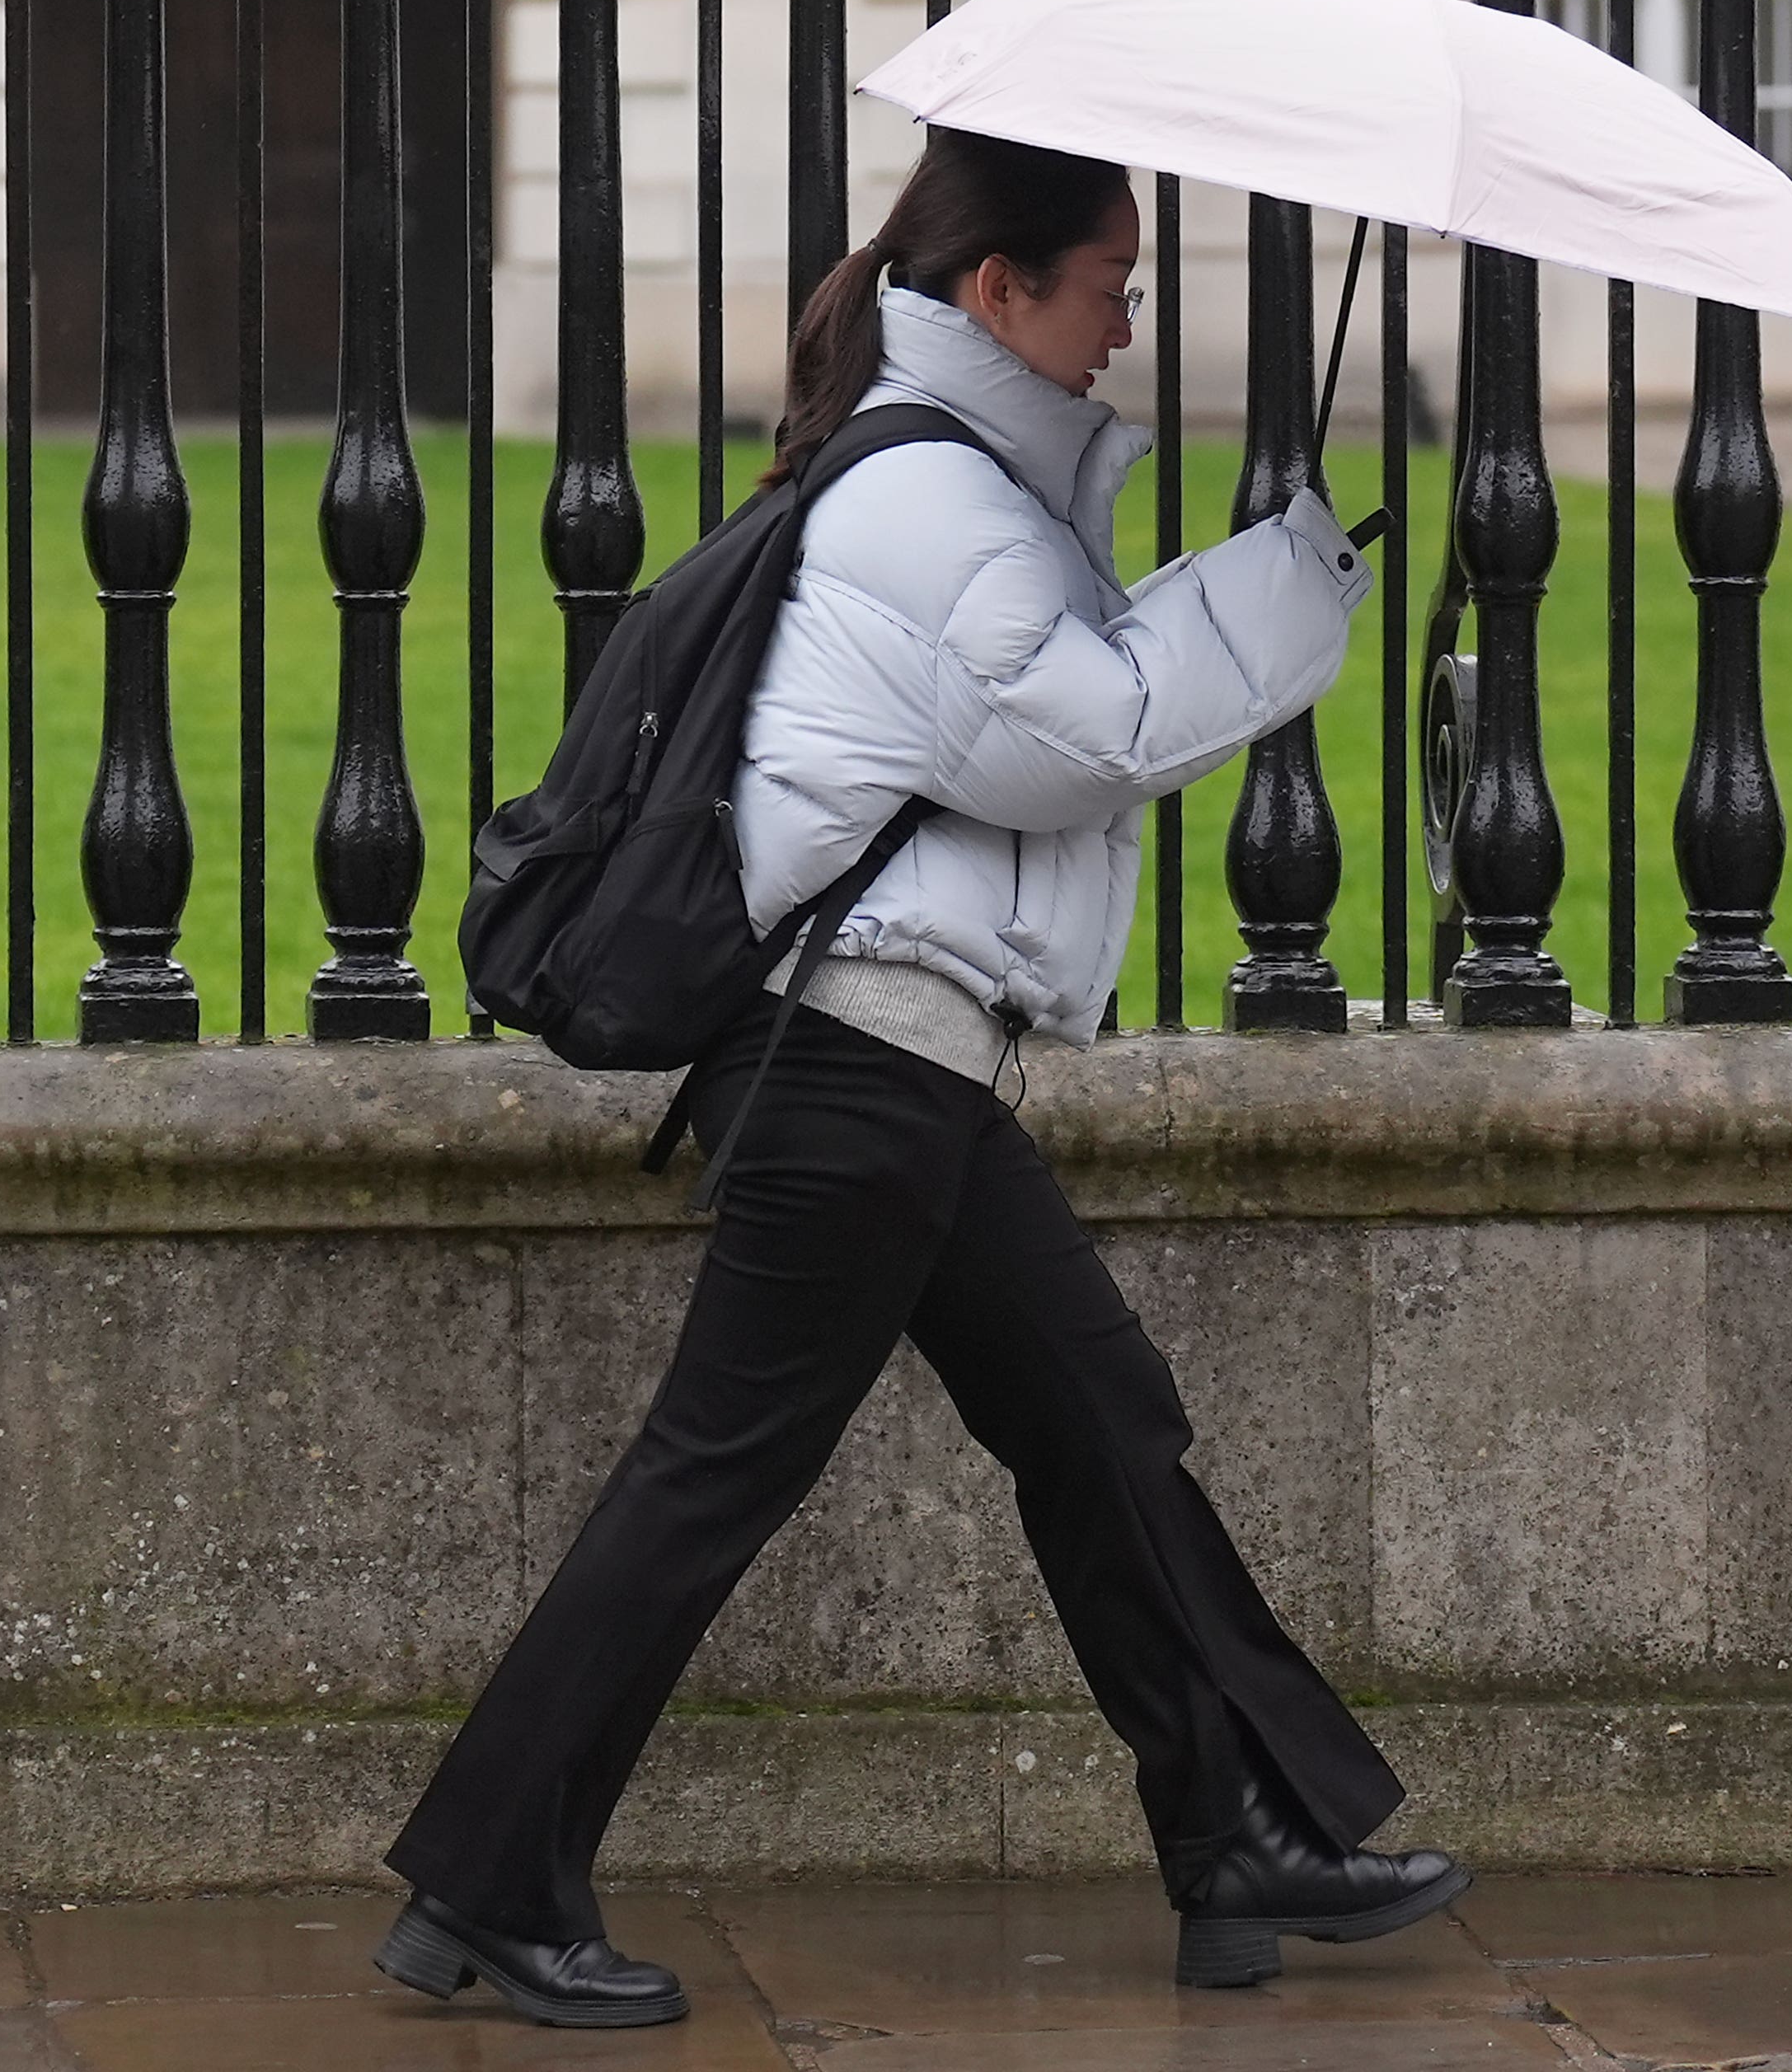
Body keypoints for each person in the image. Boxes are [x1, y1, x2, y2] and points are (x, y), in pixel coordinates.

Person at [377, 128, 1457, 2029]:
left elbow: (1070, 677)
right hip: (851, 1068)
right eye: (1110, 279)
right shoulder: (928, 504)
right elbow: (1094, 725)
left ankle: (1238, 1836)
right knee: (715, 1474)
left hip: (905, 1063)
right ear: (997, 289)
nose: (1131, 318)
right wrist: (1290, 590)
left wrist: (1237, 575)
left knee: (1104, 1424)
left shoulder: (964, 490)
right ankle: (483, 1874)